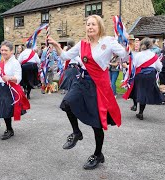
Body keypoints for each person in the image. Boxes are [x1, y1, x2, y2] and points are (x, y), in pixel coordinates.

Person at [48, 15, 127, 170]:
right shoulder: (82, 43)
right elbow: (65, 56)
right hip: (82, 81)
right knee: (66, 104)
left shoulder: (108, 41)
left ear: (100, 27)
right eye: (88, 24)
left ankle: (98, 154)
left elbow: (124, 54)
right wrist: (57, 45)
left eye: (93, 24)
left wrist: (123, 42)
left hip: (97, 85)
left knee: (96, 124)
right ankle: (76, 133)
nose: (90, 27)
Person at [0, 41, 30, 140]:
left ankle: (9, 130)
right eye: (2, 50)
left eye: (5, 50)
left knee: (5, 110)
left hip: (10, 89)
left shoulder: (15, 62)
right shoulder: (2, 61)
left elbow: (18, 78)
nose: (3, 52)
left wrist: (10, 78)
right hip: (1, 87)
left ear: (11, 51)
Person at [128, 38, 163, 120]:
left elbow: (134, 66)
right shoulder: (154, 55)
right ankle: (141, 113)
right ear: (150, 45)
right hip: (150, 76)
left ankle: (135, 105)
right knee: (144, 93)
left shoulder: (138, 55)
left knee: (136, 90)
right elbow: (159, 67)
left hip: (139, 75)